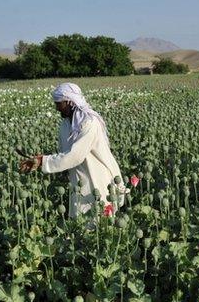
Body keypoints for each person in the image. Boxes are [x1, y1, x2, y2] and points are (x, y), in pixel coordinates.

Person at [19, 83, 129, 218]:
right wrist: (41, 160)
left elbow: (75, 156)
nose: (56, 108)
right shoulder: (65, 124)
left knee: (99, 222)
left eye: (59, 104)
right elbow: (64, 153)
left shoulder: (89, 123)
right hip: (77, 181)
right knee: (80, 224)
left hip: (96, 178)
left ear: (69, 102)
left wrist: (44, 161)